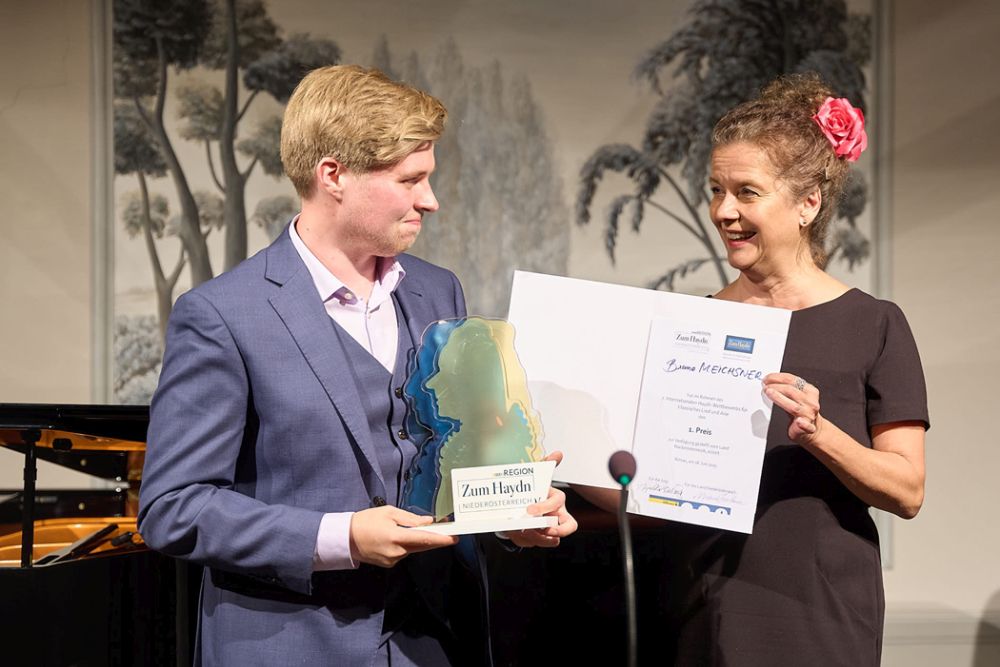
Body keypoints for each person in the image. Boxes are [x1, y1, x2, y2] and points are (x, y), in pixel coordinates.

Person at [137, 64, 577, 667]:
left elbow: (451, 461)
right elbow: (173, 508)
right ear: (333, 175)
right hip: (293, 647)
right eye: (410, 180)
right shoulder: (222, 315)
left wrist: (511, 514)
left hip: (437, 638)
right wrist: (342, 537)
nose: (431, 200)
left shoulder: (437, 290)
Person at [581, 74, 928, 666]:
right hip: (697, 608)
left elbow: (907, 490)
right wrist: (563, 454)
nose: (723, 211)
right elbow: (652, 495)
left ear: (808, 203)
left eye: (747, 192)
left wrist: (819, 434)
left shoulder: (873, 324)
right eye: (716, 190)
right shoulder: (690, 325)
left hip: (818, 612)